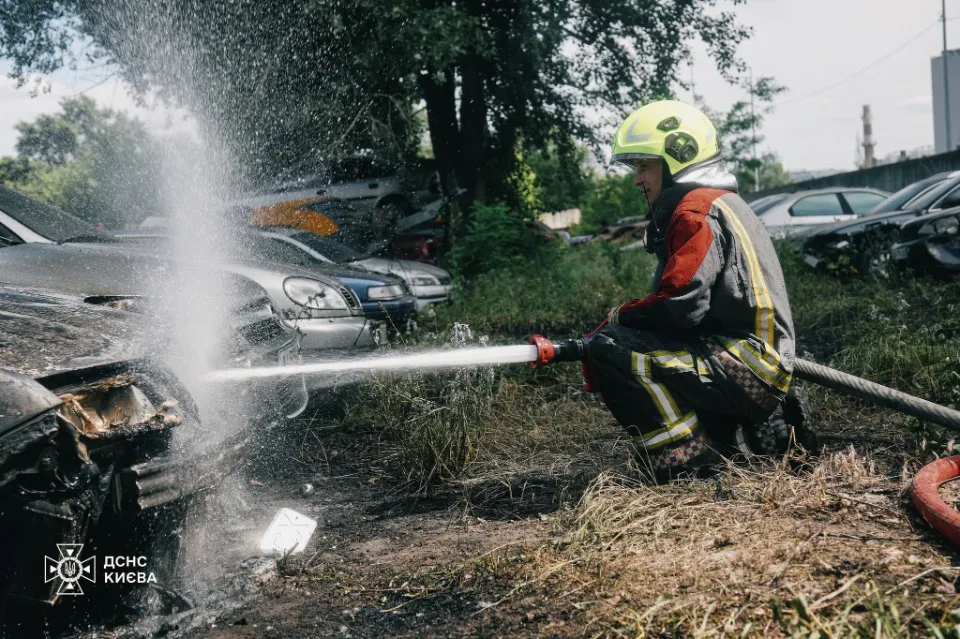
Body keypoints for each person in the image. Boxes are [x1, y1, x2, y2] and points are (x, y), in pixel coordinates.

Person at [532, 100, 807, 482]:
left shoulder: (694, 211)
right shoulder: (720, 202)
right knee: (637, 343)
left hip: (748, 365)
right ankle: (739, 433)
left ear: (679, 157)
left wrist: (618, 319)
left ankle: (688, 468)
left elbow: (681, 305)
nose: (637, 178)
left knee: (611, 349)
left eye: (644, 165)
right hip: (756, 359)